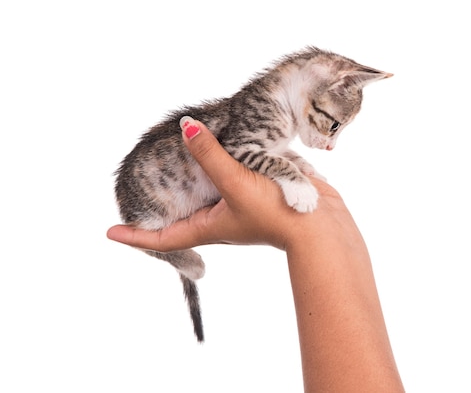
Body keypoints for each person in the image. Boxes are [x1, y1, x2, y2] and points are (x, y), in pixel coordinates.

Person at [107, 117, 405, 393]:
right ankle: (173, 257)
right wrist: (317, 221)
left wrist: (311, 221)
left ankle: (174, 257)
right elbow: (246, 149)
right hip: (160, 196)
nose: (330, 144)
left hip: (189, 189)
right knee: (153, 231)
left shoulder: (271, 118)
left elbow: (257, 150)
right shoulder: (265, 113)